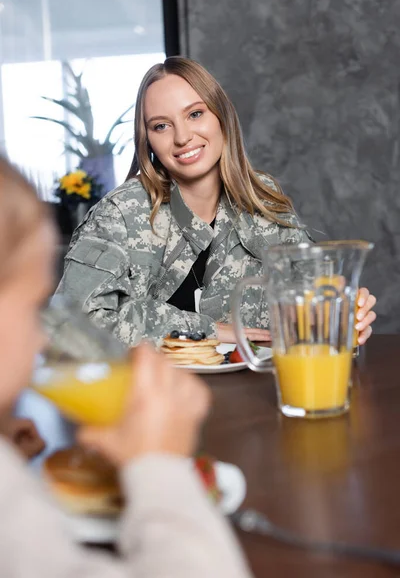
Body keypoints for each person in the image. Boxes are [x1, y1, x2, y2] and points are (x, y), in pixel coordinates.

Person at [0, 156, 253, 577]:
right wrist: (159, 463)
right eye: (30, 307)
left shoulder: (258, 202)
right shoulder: (121, 210)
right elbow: (84, 315)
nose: (41, 336)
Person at [56, 57, 376, 346]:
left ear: (220, 116)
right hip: (151, 401)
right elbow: (69, 324)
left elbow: (310, 300)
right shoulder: (121, 213)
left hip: (253, 394)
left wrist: (343, 311)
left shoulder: (261, 198)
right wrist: (207, 329)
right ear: (147, 139)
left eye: (195, 114)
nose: (182, 137)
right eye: (162, 126)